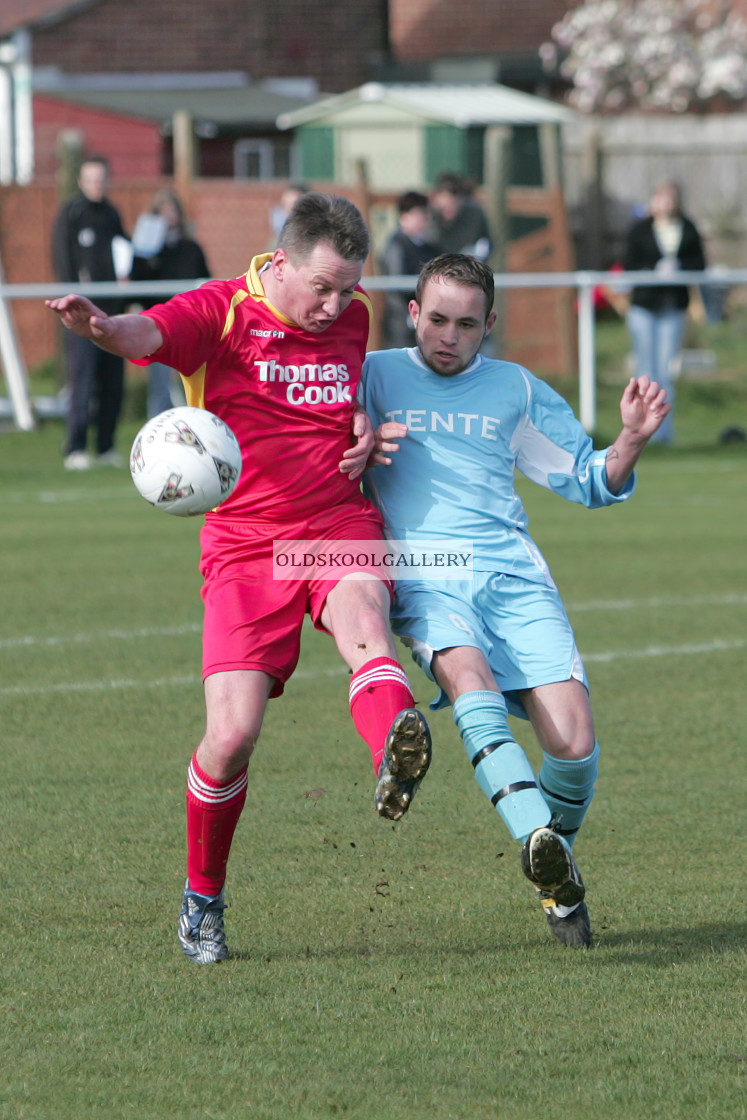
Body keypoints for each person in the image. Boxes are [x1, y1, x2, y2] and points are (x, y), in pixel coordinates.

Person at [47, 193, 432, 965]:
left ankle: (394, 741)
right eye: (321, 286)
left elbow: (350, 394)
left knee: (364, 621)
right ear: (280, 262)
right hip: (244, 545)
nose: (335, 305)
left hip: (334, 521)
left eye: (348, 288)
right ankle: (202, 898)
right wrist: (102, 329)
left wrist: (360, 429)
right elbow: (150, 331)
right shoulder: (223, 312)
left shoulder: (353, 319)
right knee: (230, 737)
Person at [360, 254, 671, 948]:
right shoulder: (374, 373)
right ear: (413, 313)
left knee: (574, 742)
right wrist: (357, 444)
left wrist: (629, 439)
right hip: (425, 573)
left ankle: (554, 879)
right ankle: (535, 838)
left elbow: (587, 480)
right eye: (436, 319)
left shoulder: (516, 390)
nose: (448, 336)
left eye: (466, 324)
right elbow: (321, 446)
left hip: (512, 576)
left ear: (488, 326)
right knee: (464, 677)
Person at [51, 155, 128, 470]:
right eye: (91, 179)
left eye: (102, 178)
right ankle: (76, 447)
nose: (97, 184)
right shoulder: (71, 213)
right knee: (82, 380)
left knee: (112, 381)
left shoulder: (111, 214)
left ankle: (106, 446)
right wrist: (73, 304)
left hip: (113, 315)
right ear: (82, 181)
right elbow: (62, 260)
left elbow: (125, 254)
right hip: (83, 318)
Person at [623, 180, 706, 444]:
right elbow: (628, 263)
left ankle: (663, 433)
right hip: (644, 307)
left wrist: (679, 265)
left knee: (665, 371)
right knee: (646, 369)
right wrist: (652, 269)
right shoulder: (639, 230)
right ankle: (639, 431)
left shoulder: (688, 228)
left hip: (672, 307)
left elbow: (700, 263)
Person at [129, 189, 211, 417]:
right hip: (158, 322)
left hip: (190, 320)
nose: (168, 217)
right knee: (160, 381)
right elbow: (137, 283)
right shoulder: (147, 252)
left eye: (172, 211)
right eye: (162, 212)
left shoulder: (191, 248)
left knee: (193, 376)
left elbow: (204, 280)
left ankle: (198, 421)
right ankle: (158, 422)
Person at [378, 190, 439, 348]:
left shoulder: (428, 246)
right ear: (404, 216)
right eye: (419, 214)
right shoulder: (396, 246)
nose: (425, 219)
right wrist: (409, 313)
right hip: (400, 321)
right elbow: (397, 285)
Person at [427, 172, 492, 261]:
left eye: (454, 204)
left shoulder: (474, 216)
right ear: (436, 199)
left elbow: (487, 242)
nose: (450, 209)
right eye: (446, 206)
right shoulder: (425, 218)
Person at [269, 180, 310, 246]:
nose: (285, 213)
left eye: (292, 206)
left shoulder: (308, 240)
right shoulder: (276, 242)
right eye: (284, 205)